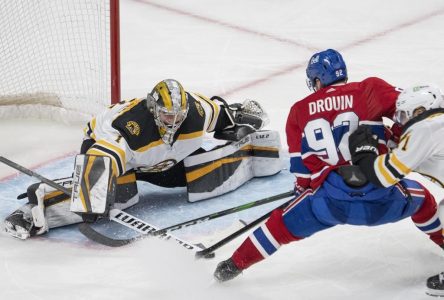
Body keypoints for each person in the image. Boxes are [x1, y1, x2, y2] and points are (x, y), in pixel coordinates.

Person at [212, 49, 443, 282]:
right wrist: (392, 135)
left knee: (279, 225)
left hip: (328, 203)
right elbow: (413, 114)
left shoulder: (298, 111)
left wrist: (302, 191)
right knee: (424, 200)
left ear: (317, 80)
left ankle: (230, 267)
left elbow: (302, 173)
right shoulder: (369, 89)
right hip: (382, 199)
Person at [4, 79, 282, 239]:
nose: (172, 122)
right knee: (114, 194)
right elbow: (101, 161)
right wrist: (92, 196)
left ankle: (252, 157)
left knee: (200, 176)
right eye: (166, 115)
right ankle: (34, 210)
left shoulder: (196, 110)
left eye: (177, 116)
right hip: (110, 151)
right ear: (153, 108)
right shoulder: (129, 127)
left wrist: (241, 120)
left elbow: (223, 114)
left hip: (161, 160)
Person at [347, 84, 444, 297]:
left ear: (419, 111)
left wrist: (364, 153)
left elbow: (383, 176)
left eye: (402, 115)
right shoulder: (436, 125)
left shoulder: (425, 128)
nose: (399, 121)